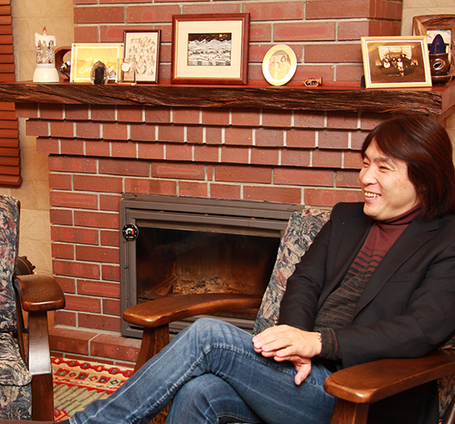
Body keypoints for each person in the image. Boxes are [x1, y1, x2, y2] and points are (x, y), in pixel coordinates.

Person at [38, 114, 455, 424]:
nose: (366, 177)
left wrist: (317, 343)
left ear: (423, 177)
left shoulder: (446, 240)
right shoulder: (347, 218)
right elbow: (304, 282)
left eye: (383, 167)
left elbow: (421, 328)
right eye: (365, 163)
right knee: (199, 391)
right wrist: (296, 347)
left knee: (207, 336)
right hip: (301, 378)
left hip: (361, 394)